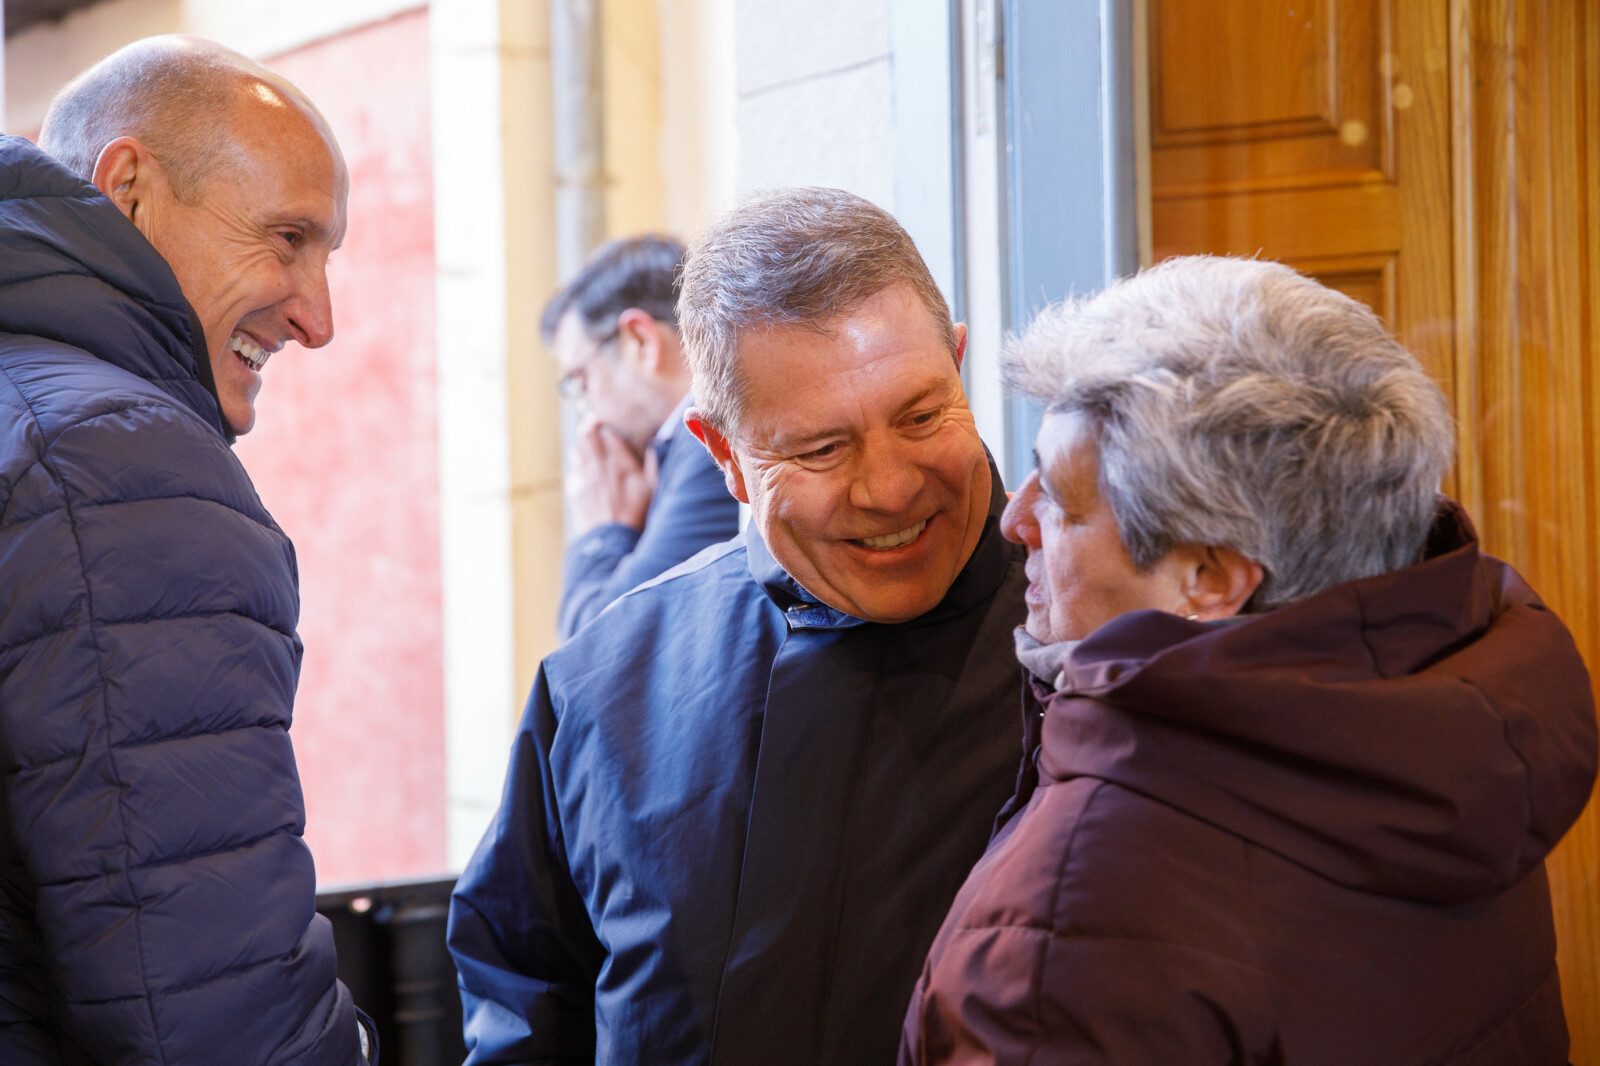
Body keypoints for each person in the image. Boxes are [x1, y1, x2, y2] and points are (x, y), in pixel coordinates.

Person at [900, 256, 1599, 1065]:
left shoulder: (1070, 938)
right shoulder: (1457, 741)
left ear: (1209, 579)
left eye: (1058, 494)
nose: (1014, 518)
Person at [448, 188, 1029, 1064]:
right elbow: (524, 998)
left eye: (919, 415)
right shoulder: (605, 685)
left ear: (958, 362)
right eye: (821, 449)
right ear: (721, 453)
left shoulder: (1098, 643)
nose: (892, 488)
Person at [0, 36, 371, 1065]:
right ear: (127, 190)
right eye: (287, 238)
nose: (318, 316)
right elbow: (208, 1020)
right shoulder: (118, 465)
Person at [544, 235, 741, 639]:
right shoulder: (682, 445)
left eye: (581, 380)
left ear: (641, 341)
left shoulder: (708, 443)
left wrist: (604, 534)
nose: (589, 419)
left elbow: (600, 650)